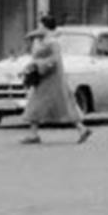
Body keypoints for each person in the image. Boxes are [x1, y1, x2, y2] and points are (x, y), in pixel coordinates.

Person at [19, 16, 88, 146]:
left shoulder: (51, 41)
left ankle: (34, 135)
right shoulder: (45, 39)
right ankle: (81, 129)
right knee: (59, 104)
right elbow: (32, 37)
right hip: (46, 78)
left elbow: (55, 59)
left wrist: (37, 64)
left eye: (40, 25)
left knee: (39, 104)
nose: (38, 28)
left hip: (51, 79)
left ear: (45, 26)